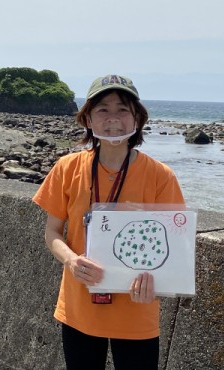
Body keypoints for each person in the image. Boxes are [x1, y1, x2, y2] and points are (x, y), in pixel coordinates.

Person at [32, 75, 185, 370]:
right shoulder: (67, 168)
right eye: (103, 109)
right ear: (87, 118)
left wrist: (159, 279)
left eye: (123, 110)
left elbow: (175, 244)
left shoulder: (160, 175)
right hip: (79, 310)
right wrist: (72, 260)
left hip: (137, 311)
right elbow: (52, 232)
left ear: (137, 119)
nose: (113, 118)